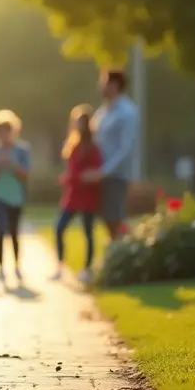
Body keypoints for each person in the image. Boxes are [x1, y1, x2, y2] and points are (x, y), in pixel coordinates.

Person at [80, 70, 140, 240]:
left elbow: (126, 148)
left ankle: (125, 253)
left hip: (115, 176)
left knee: (115, 220)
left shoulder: (127, 112)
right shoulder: (103, 112)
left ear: (113, 85)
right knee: (107, 220)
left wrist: (103, 172)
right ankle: (117, 255)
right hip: (99, 175)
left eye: (103, 82)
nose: (100, 86)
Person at [53, 105, 103, 282]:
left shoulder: (93, 147)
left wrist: (79, 177)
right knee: (59, 228)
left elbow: (94, 170)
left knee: (88, 232)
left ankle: (87, 268)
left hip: (87, 195)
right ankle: (60, 265)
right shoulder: (73, 146)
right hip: (73, 195)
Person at [0, 110, 31, 284]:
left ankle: (17, 265)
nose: (3, 135)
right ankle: (1, 267)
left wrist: (12, 165)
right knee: (1, 229)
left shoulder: (22, 150)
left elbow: (26, 174)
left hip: (16, 196)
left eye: (6, 131)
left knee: (14, 231)